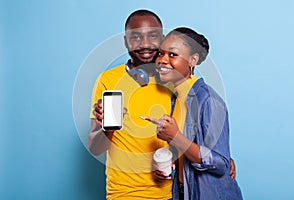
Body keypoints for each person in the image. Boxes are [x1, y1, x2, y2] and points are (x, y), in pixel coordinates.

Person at [88, 10, 237, 199]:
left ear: (163, 39)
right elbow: (95, 148)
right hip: (122, 193)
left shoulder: (173, 82)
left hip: (169, 193)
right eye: (136, 37)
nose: (145, 44)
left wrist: (220, 157)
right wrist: (106, 126)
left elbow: (192, 130)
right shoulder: (108, 80)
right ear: (125, 41)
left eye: (153, 36)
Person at [145, 27, 243, 199]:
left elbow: (221, 163)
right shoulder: (175, 99)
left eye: (173, 55)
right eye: (161, 53)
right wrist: (171, 162)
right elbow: (191, 149)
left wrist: (175, 137)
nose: (162, 60)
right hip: (184, 193)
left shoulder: (209, 100)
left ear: (193, 60)